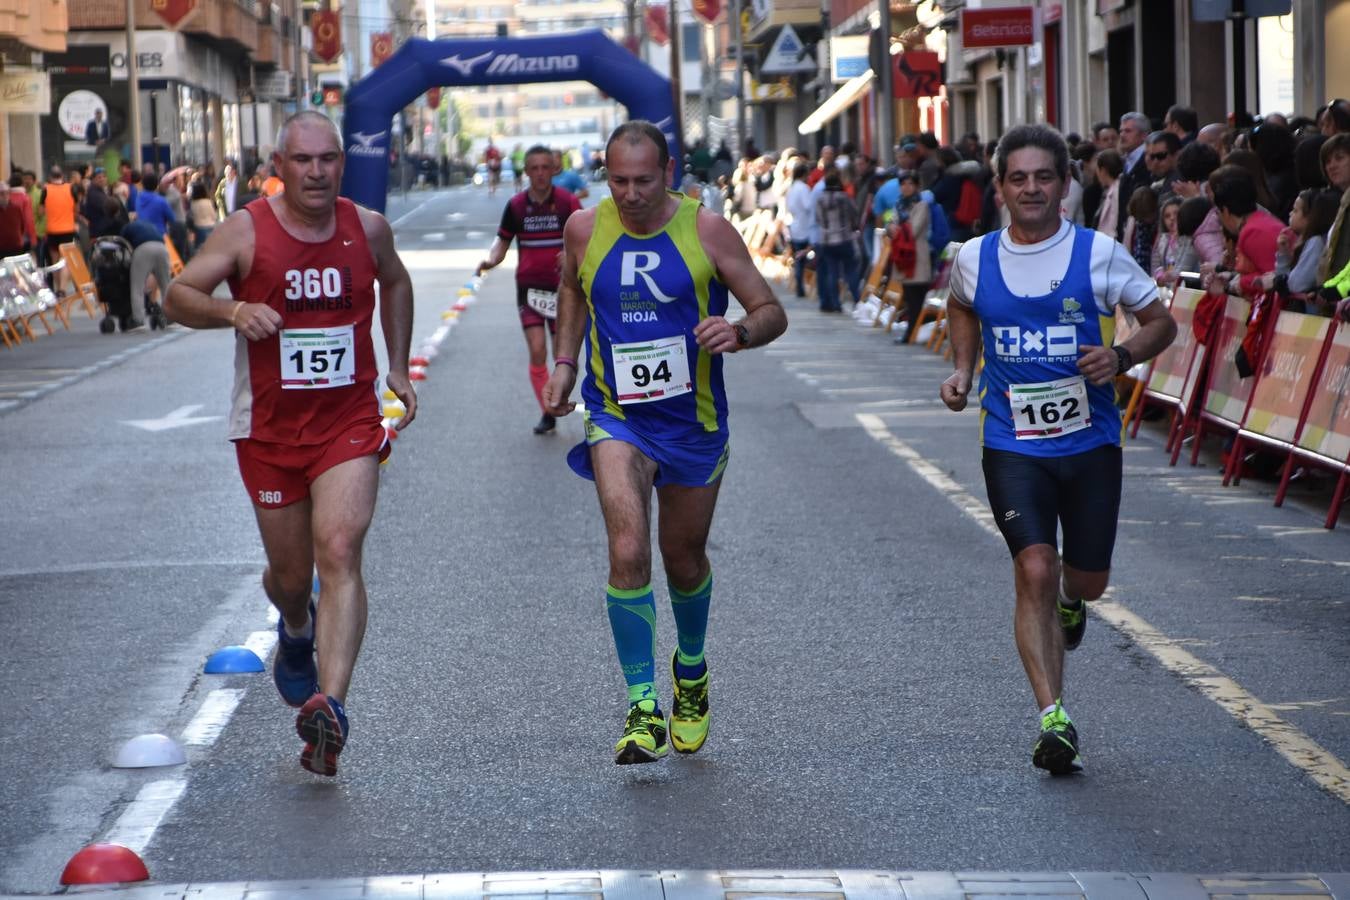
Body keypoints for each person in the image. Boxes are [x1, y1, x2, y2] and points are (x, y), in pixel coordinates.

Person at [162, 110, 417, 778]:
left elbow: (395, 280)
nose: (316, 172)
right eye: (302, 161)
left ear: (343, 162)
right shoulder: (247, 230)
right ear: (280, 164)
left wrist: (397, 363)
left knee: (340, 549)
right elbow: (177, 293)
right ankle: (296, 630)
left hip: (347, 424)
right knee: (289, 577)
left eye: (327, 159)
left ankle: (330, 709)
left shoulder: (367, 229)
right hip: (269, 431)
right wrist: (232, 310)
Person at [540, 121, 787, 765]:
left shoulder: (705, 229)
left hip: (695, 423)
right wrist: (564, 362)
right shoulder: (584, 229)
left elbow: (769, 309)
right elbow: (572, 287)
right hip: (616, 414)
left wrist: (738, 332)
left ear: (669, 171)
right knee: (627, 547)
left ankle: (693, 670)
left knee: (683, 557)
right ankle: (643, 706)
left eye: (643, 180)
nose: (630, 193)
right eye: (617, 180)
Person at [939, 124, 1176, 775]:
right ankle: (1054, 718)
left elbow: (1162, 321)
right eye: (1019, 178)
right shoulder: (975, 257)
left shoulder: (1098, 254)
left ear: (1065, 184)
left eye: (1044, 176)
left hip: (1091, 444)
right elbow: (960, 304)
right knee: (1035, 567)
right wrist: (964, 369)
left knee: (1087, 582)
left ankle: (1076, 601)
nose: (1032, 188)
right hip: (1012, 444)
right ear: (1001, 187)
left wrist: (1121, 355)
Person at [475, 144, 582, 434]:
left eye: (545, 168)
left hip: (565, 291)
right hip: (530, 289)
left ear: (554, 169)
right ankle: (548, 411)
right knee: (537, 350)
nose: (540, 174)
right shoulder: (517, 206)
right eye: (534, 168)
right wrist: (490, 261)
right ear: (527, 172)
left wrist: (572, 253)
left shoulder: (567, 203)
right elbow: (502, 242)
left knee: (564, 355)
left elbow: (587, 237)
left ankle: (558, 397)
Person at [134, 172, 174, 237]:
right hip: (159, 236)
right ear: (157, 185)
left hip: (142, 235)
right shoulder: (161, 201)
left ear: (143, 185)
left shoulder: (138, 199)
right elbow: (172, 219)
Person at [0, 185, 29, 258]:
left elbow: (22, 226)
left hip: (16, 246)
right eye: (1, 193)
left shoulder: (16, 208)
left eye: (7, 193)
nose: (4, 196)